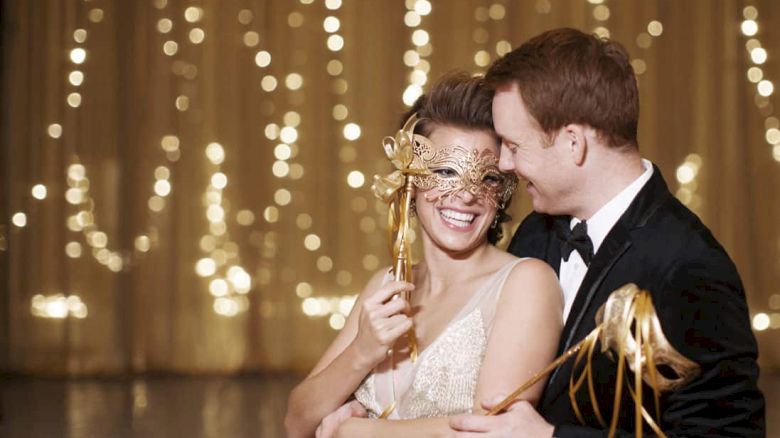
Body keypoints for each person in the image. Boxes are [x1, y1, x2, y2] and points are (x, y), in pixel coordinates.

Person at [449, 27, 766, 437]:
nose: (505, 164)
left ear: (572, 143)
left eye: (513, 145)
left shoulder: (690, 266)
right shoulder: (535, 233)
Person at [284, 72, 563, 438]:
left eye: (488, 178)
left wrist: (355, 432)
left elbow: (490, 433)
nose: (466, 195)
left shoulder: (525, 283)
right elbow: (295, 422)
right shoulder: (386, 286)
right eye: (446, 171)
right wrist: (361, 352)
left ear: (505, 190)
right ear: (409, 179)